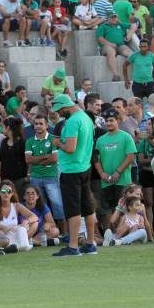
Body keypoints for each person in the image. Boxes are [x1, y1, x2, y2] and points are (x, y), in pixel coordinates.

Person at [51, 94, 96, 256]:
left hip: (71, 170)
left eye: (59, 110)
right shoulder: (86, 118)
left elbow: (70, 148)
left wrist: (58, 143)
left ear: (64, 106)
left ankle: (73, 246)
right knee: (88, 208)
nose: (59, 113)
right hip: (85, 167)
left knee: (73, 210)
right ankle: (90, 244)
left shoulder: (72, 121)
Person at [94, 108, 137, 228]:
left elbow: (130, 157)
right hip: (106, 181)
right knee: (108, 209)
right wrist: (102, 173)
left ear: (118, 121)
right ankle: (111, 233)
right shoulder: (100, 140)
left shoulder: (126, 137)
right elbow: (96, 159)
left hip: (123, 181)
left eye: (111, 120)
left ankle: (124, 233)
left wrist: (118, 172)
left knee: (123, 209)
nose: (108, 123)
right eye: (107, 121)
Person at [25, 114, 64, 227]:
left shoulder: (53, 139)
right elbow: (28, 160)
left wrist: (36, 159)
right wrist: (45, 157)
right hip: (35, 177)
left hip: (51, 176)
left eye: (41, 124)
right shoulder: (29, 141)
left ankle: (63, 232)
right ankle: (45, 231)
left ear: (47, 125)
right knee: (40, 205)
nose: (38, 126)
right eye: (36, 124)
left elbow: (54, 158)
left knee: (57, 205)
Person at [0, 181, 38, 252]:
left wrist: (26, 221)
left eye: (9, 191)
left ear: (12, 193)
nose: (6, 194)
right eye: (3, 191)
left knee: (34, 224)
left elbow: (34, 217)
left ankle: (18, 245)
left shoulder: (16, 206)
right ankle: (22, 244)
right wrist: (4, 227)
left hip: (15, 232)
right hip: (2, 235)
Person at [96, 13, 137, 81]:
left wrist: (129, 35)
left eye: (116, 17)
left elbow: (134, 25)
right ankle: (116, 75)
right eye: (112, 17)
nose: (115, 19)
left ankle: (138, 73)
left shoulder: (120, 25)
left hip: (120, 45)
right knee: (111, 51)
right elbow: (100, 39)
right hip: (107, 46)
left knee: (130, 53)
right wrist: (110, 44)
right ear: (108, 18)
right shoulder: (103, 26)